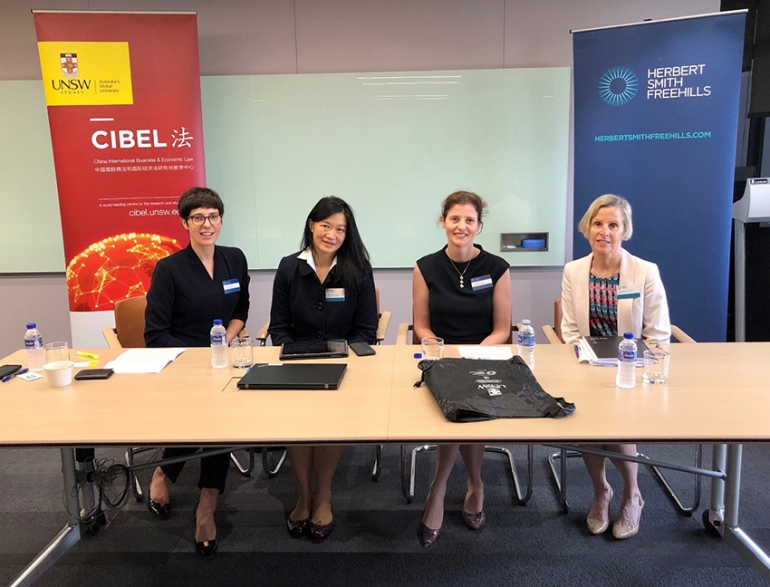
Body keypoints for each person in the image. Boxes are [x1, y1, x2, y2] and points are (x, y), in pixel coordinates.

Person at [144, 186, 250, 558]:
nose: (208, 224)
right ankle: (164, 473)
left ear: (221, 219)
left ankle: (207, 502)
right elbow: (155, 333)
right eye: (198, 217)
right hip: (184, 365)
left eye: (214, 216)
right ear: (185, 222)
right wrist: (200, 357)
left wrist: (227, 340)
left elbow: (242, 310)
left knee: (222, 419)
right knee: (206, 416)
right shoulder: (169, 269)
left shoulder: (234, 259)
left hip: (223, 361)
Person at [268, 196, 377, 542]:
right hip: (296, 360)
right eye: (326, 225)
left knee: (328, 427)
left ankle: (324, 494)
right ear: (312, 225)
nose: (332, 234)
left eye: (340, 228)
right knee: (298, 428)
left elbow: (365, 328)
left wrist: (347, 359)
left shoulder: (357, 268)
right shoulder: (289, 267)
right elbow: (279, 326)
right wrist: (288, 354)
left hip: (341, 363)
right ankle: (303, 495)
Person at [561, 193, 670, 540]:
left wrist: (634, 365)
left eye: (613, 225)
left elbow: (658, 334)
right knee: (588, 425)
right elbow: (569, 330)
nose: (604, 231)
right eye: (598, 223)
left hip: (632, 368)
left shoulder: (644, 272)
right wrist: (585, 361)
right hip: (587, 365)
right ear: (587, 227)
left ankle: (632, 494)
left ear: (625, 231)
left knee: (618, 424)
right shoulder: (574, 271)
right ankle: (601, 491)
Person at [413, 190, 512, 548]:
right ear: (443, 222)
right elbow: (421, 326)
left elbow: (502, 329)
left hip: (484, 357)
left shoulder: (497, 268)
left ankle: (441, 488)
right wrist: (444, 352)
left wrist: (473, 354)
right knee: (457, 395)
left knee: (465, 396)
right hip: (441, 358)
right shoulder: (425, 267)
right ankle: (469, 484)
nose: (461, 226)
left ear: (479, 226)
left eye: (469, 220)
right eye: (454, 218)